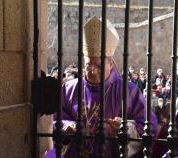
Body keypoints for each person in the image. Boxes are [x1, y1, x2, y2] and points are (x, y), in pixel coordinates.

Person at [45, 16, 157, 158]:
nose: (93, 71)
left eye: (99, 66)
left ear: (110, 63)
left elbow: (149, 126)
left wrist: (125, 128)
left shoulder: (128, 91)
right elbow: (52, 119)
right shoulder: (68, 89)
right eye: (88, 65)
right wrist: (67, 126)